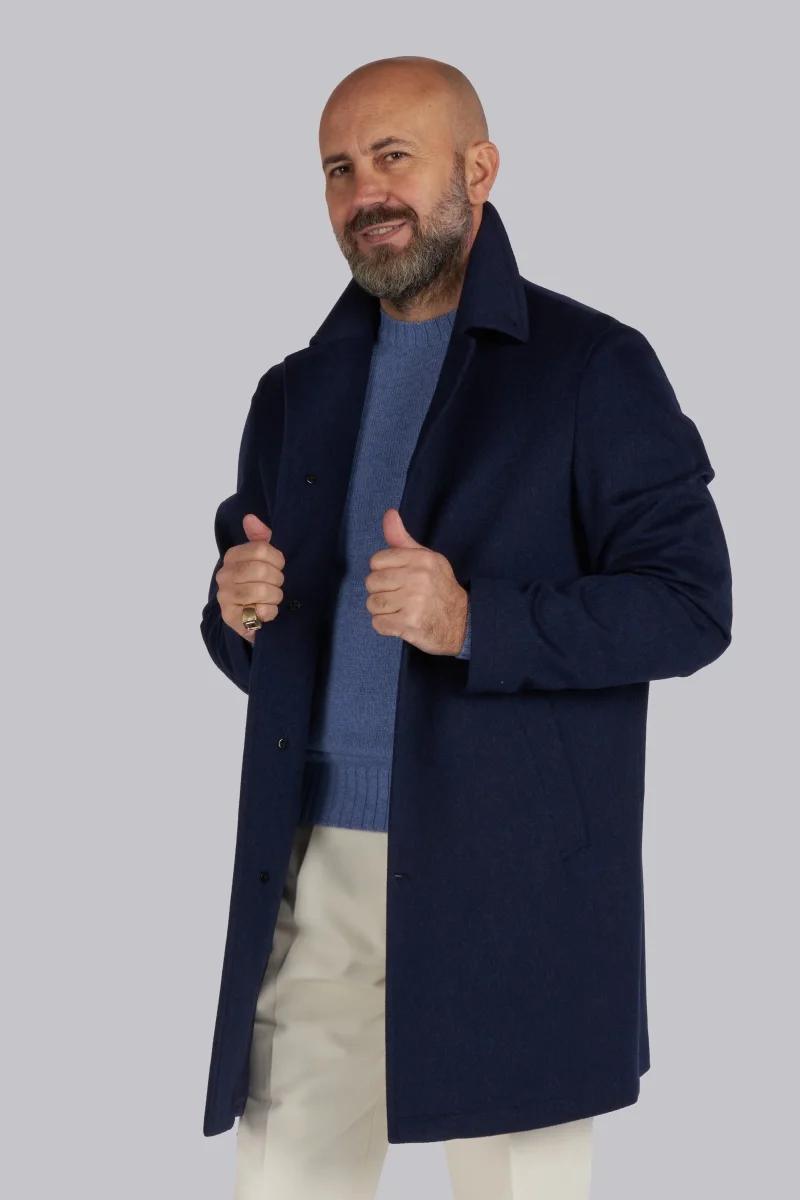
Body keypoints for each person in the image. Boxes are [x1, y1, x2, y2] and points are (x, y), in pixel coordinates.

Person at [199, 55, 733, 1200]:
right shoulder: (292, 391)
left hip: (513, 877)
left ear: (477, 170)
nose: (364, 193)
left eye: (393, 157)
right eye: (338, 169)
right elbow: (262, 640)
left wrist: (473, 620)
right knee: (283, 1181)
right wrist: (237, 609)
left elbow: (689, 606)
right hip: (314, 865)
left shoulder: (590, 367)